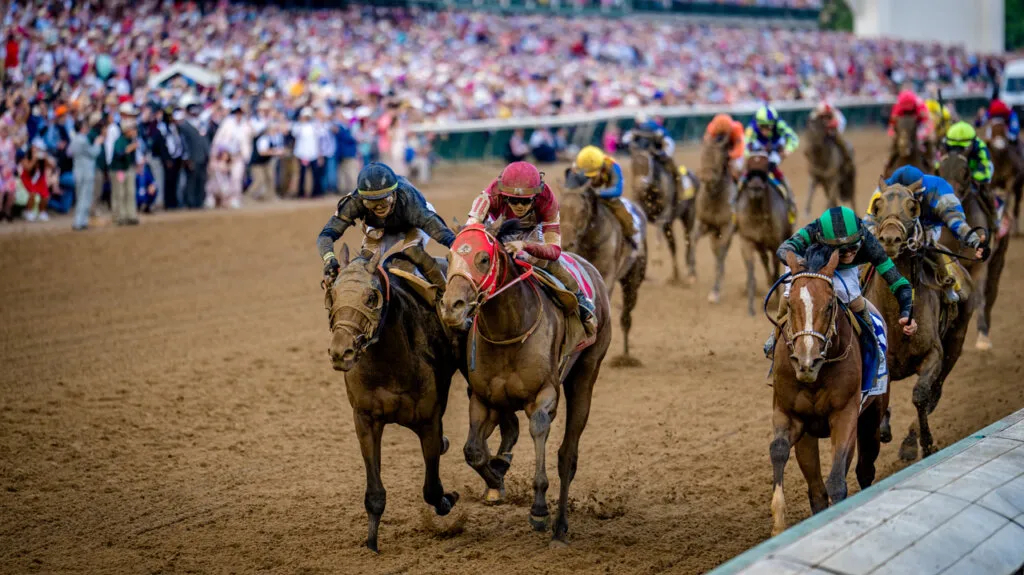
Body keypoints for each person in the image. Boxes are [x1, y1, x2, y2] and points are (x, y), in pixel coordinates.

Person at [765, 206, 919, 361]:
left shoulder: (870, 244)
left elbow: (900, 283)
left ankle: (872, 340)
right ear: (821, 239)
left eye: (853, 247)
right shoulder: (813, 229)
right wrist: (800, 265)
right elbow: (784, 249)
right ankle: (776, 334)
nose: (849, 253)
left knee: (854, 300)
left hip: (842, 270)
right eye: (841, 250)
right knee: (790, 296)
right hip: (806, 262)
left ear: (861, 237)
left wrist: (906, 313)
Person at [466, 161, 596, 333]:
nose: (519, 206)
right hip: (499, 226)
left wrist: (526, 246)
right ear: (504, 196)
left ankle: (580, 299)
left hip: (533, 231)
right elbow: (471, 227)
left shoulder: (548, 200)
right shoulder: (491, 194)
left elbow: (554, 251)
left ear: (536, 197)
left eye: (526, 201)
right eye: (513, 200)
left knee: (547, 263)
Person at [318, 162, 453, 296]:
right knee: (364, 263)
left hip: (413, 224)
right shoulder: (355, 201)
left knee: (412, 251)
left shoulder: (410, 200)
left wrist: (454, 244)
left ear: (394, 194)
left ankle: (445, 293)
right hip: (381, 228)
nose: (379, 207)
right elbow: (326, 234)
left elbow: (440, 231)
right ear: (362, 199)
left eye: (384, 201)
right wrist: (329, 260)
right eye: (371, 203)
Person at [865, 165, 985, 303]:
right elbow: (868, 222)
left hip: (928, 226)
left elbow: (956, 221)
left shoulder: (939, 190)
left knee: (928, 244)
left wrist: (976, 241)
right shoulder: (881, 193)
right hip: (890, 227)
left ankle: (946, 279)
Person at [572, 146, 638, 243]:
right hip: (586, 195)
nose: (591, 178)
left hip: (608, 197)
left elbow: (618, 190)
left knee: (623, 215)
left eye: (593, 174)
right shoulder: (578, 166)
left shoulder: (613, 166)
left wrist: (598, 192)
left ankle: (631, 238)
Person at [744, 104, 799, 218]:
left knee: (772, 168)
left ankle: (790, 200)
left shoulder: (780, 124)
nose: (765, 130)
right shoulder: (751, 127)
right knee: (748, 172)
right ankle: (735, 201)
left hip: (775, 149)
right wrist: (750, 156)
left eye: (768, 126)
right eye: (762, 126)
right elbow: (745, 144)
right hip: (757, 150)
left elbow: (794, 138)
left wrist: (788, 150)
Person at [626, 117, 683, 191]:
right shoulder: (649, 128)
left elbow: (665, 147)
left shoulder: (656, 130)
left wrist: (659, 153)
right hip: (656, 148)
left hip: (663, 147)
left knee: (668, 161)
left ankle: (677, 180)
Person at [69, 115, 104, 230]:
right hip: (86, 172)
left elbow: (69, 153)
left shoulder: (74, 139)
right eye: (85, 126)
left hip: (78, 171)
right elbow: (94, 153)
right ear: (82, 128)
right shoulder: (83, 140)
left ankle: (81, 221)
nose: (87, 128)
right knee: (85, 197)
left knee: (80, 197)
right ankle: (80, 222)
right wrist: (97, 143)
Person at [109, 115, 139, 225]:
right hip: (119, 170)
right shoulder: (120, 141)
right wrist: (128, 149)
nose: (134, 131)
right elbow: (118, 154)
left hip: (128, 168)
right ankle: (119, 216)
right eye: (132, 129)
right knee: (119, 193)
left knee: (130, 192)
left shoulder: (132, 140)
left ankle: (131, 215)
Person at [179, 103, 210, 209]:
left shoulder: (202, 124)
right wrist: (187, 158)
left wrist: (208, 154)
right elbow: (184, 144)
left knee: (201, 180)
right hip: (192, 158)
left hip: (203, 157)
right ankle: (190, 202)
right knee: (191, 181)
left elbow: (205, 141)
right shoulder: (184, 126)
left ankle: (199, 201)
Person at [703, 113, 745, 181]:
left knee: (737, 166)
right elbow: (707, 145)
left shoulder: (737, 129)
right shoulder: (711, 128)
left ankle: (739, 182)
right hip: (718, 149)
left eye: (724, 133)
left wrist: (729, 155)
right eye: (720, 133)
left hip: (732, 150)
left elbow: (739, 150)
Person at [809, 101, 853, 165]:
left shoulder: (834, 113)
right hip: (826, 129)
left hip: (837, 126)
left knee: (838, 139)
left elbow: (836, 123)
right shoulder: (817, 114)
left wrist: (828, 127)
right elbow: (813, 123)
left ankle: (847, 156)